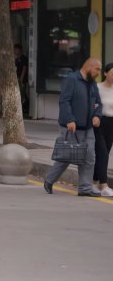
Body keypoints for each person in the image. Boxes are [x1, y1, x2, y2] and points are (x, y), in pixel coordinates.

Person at [45, 58, 102, 197]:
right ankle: (49, 179)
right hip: (71, 127)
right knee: (67, 157)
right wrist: (70, 119)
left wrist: (97, 115)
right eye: (97, 69)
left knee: (89, 157)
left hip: (88, 127)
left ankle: (85, 188)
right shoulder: (72, 79)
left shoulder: (92, 83)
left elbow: (98, 102)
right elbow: (64, 101)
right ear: (89, 66)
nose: (98, 73)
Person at [94, 63, 113, 197]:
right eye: (112, 73)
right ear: (105, 73)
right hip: (100, 122)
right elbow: (93, 104)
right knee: (103, 154)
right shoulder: (97, 87)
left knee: (104, 154)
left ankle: (94, 181)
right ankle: (104, 185)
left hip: (112, 124)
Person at [15, 44, 29, 116]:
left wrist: (21, 78)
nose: (15, 51)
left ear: (20, 50)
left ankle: (25, 108)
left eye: (17, 49)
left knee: (23, 93)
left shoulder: (24, 58)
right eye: (15, 49)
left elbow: (24, 68)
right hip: (16, 78)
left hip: (22, 79)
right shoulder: (16, 58)